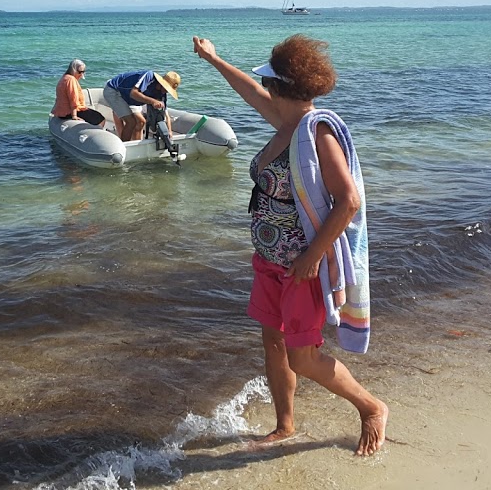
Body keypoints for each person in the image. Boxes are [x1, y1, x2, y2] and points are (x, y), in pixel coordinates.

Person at [192, 34, 388, 457]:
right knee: (274, 343)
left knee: (303, 357)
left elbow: (348, 201)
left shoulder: (316, 136)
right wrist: (213, 59)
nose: (264, 91)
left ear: (282, 88)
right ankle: (285, 425)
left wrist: (311, 256)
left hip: (302, 267)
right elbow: (248, 89)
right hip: (268, 261)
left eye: (270, 84)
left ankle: (371, 407)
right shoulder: (285, 125)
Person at [102, 70, 180, 141]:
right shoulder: (149, 76)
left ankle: (133, 142)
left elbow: (166, 115)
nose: (166, 92)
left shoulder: (161, 94)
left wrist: (169, 131)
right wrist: (153, 101)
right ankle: (124, 146)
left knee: (140, 121)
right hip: (114, 90)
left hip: (131, 100)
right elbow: (133, 93)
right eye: (166, 88)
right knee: (131, 122)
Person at [52, 59, 105, 126]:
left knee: (91, 114)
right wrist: (74, 116)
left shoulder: (64, 78)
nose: (82, 74)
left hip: (61, 112)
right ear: (73, 70)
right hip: (69, 112)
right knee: (100, 118)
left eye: (83, 72)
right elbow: (73, 98)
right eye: (80, 72)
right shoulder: (71, 80)